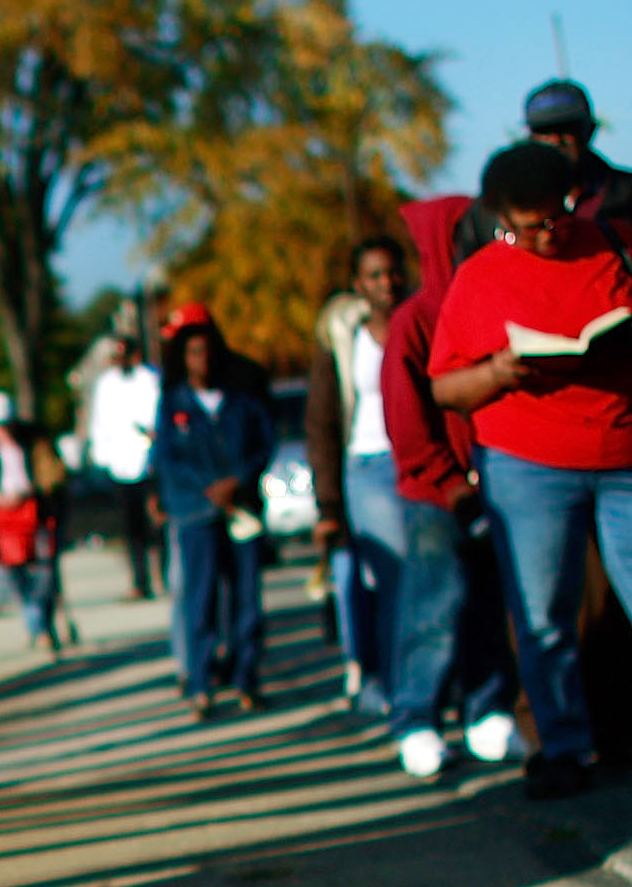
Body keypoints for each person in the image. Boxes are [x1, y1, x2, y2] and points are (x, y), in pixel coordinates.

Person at [431, 142, 632, 799]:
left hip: (629, 456)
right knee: (543, 614)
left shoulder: (615, 244)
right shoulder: (480, 276)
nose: (548, 233)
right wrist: (499, 371)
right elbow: (445, 387)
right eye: (529, 225)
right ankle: (563, 748)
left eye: (557, 217)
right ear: (501, 217)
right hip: (525, 464)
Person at [357, 200, 524, 777]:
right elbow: (405, 420)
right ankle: (415, 717)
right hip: (437, 493)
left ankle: (487, 709)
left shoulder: (489, 300)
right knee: (433, 603)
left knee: (489, 602)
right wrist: (448, 481)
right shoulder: (414, 318)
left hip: (496, 482)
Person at [306, 237, 413, 718]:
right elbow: (321, 424)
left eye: (393, 271)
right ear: (358, 285)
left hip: (416, 461)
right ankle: (396, 685)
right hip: (368, 466)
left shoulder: (421, 322)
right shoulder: (344, 340)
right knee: (394, 578)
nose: (386, 283)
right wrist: (328, 504)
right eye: (374, 275)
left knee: (434, 576)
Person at [152, 304, 277, 716]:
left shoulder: (241, 397)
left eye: (207, 351)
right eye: (193, 353)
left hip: (241, 510)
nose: (201, 360)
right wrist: (206, 488)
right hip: (195, 512)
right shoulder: (174, 402)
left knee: (246, 599)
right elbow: (167, 458)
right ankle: (201, 683)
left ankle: (247, 678)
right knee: (200, 598)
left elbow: (264, 442)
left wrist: (238, 480)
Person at [455, 78, 632, 271]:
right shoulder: (491, 210)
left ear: (589, 130)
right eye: (544, 131)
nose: (555, 140)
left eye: (567, 128)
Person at [0, 391, 67, 651]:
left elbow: (52, 474)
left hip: (35, 514)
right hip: (1, 520)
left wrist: (33, 493)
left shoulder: (35, 442)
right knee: (15, 575)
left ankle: (42, 626)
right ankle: (35, 623)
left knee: (44, 574)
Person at [87, 335, 164, 597]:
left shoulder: (149, 379)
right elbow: (100, 421)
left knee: (157, 521)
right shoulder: (106, 385)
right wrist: (103, 456)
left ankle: (164, 574)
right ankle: (140, 581)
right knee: (132, 527)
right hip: (120, 464)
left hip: (149, 462)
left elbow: (154, 416)